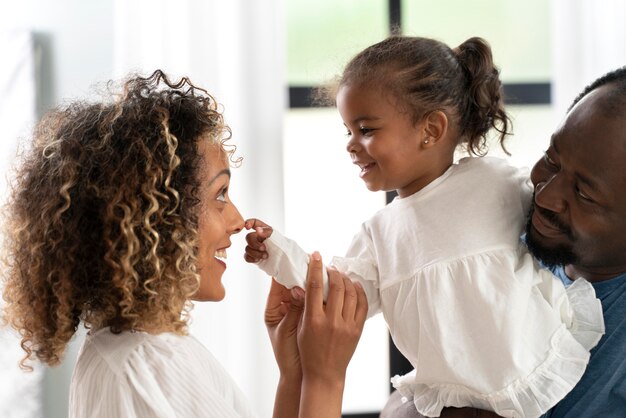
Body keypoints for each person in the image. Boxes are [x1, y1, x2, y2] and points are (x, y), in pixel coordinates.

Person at [243, 36, 605, 417]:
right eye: (348, 130)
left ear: (431, 129)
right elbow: (339, 297)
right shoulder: (378, 234)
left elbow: (561, 222)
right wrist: (278, 255)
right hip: (455, 403)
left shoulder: (496, 182)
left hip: (539, 366)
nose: (351, 144)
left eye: (366, 129)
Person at [0, 70, 368, 418]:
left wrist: (296, 374)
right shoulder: (142, 372)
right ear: (156, 217)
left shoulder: (144, 352)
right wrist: (326, 378)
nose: (238, 221)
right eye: (220, 195)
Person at [381, 66, 626, 418]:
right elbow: (407, 398)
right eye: (552, 160)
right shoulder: (507, 234)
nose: (545, 196)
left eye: (584, 193)